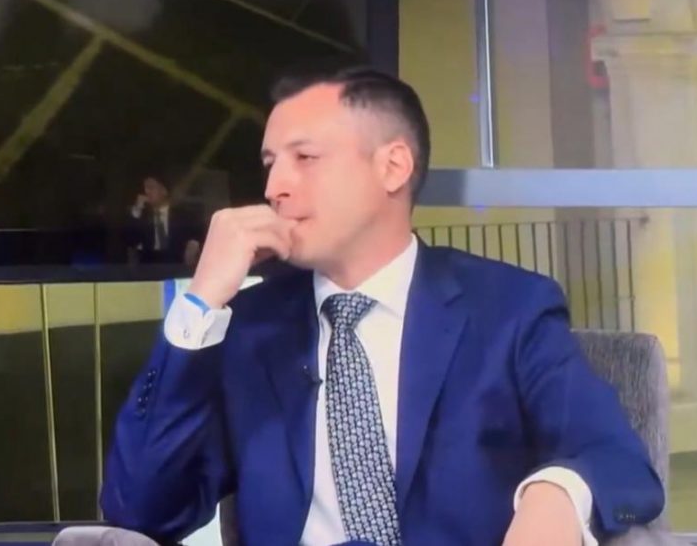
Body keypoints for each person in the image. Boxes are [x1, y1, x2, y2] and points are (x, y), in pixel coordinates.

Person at [100, 66, 664, 545]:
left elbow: (616, 459)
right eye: (270, 163)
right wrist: (199, 304)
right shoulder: (250, 330)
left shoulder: (509, 310)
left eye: (304, 157)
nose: (274, 188)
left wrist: (556, 493)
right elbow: (140, 509)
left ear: (393, 167)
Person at [128, 174, 205, 267]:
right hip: (149, 266)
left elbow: (199, 234)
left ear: (164, 191)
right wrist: (137, 210)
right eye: (145, 188)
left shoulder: (183, 215)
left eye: (151, 187)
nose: (146, 192)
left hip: (177, 263)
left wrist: (194, 243)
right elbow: (130, 240)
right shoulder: (143, 216)